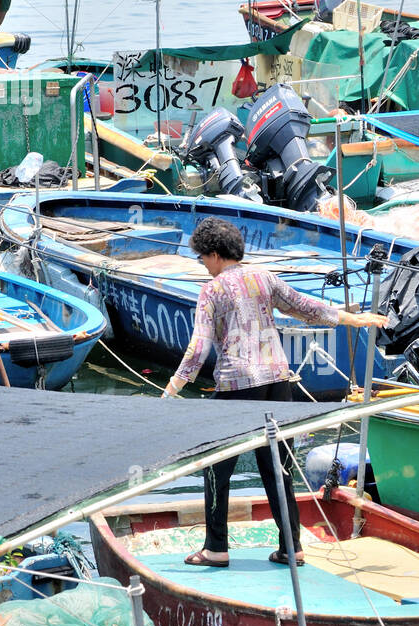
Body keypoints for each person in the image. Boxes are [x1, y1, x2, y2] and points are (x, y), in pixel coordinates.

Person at [161, 217, 386, 568]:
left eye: (203, 258)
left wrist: (173, 387)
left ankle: (216, 548)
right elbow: (304, 307)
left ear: (216, 255)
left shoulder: (213, 289)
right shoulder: (264, 277)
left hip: (237, 385)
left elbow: (199, 346)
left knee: (216, 468)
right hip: (278, 382)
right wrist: (351, 319)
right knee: (279, 467)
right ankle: (291, 547)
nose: (204, 266)